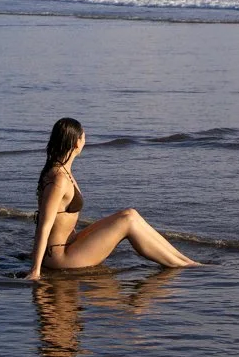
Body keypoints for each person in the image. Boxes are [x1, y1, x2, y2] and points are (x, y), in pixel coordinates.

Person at [28, 116, 199, 280]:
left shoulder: (62, 171)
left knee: (130, 214)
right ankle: (179, 264)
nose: (85, 141)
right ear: (76, 143)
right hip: (61, 258)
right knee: (128, 223)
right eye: (84, 137)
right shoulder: (58, 179)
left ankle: (185, 261)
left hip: (69, 245)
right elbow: (45, 224)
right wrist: (36, 270)